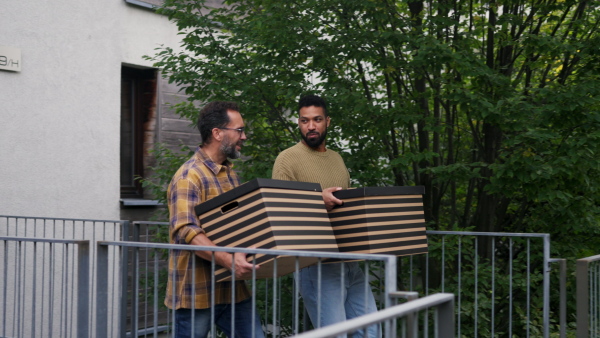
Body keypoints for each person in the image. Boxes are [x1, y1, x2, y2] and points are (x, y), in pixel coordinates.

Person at [271, 94, 378, 337]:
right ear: (298, 123)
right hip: (314, 264)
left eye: (317, 119)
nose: (311, 126)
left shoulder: (337, 158)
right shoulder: (287, 159)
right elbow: (279, 211)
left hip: (350, 260)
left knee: (371, 332)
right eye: (304, 120)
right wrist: (317, 201)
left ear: (327, 121)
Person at [165, 101, 265, 338]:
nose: (244, 136)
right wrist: (228, 260)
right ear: (218, 133)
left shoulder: (230, 174)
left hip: (232, 290)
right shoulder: (188, 177)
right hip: (195, 292)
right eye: (239, 130)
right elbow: (187, 231)